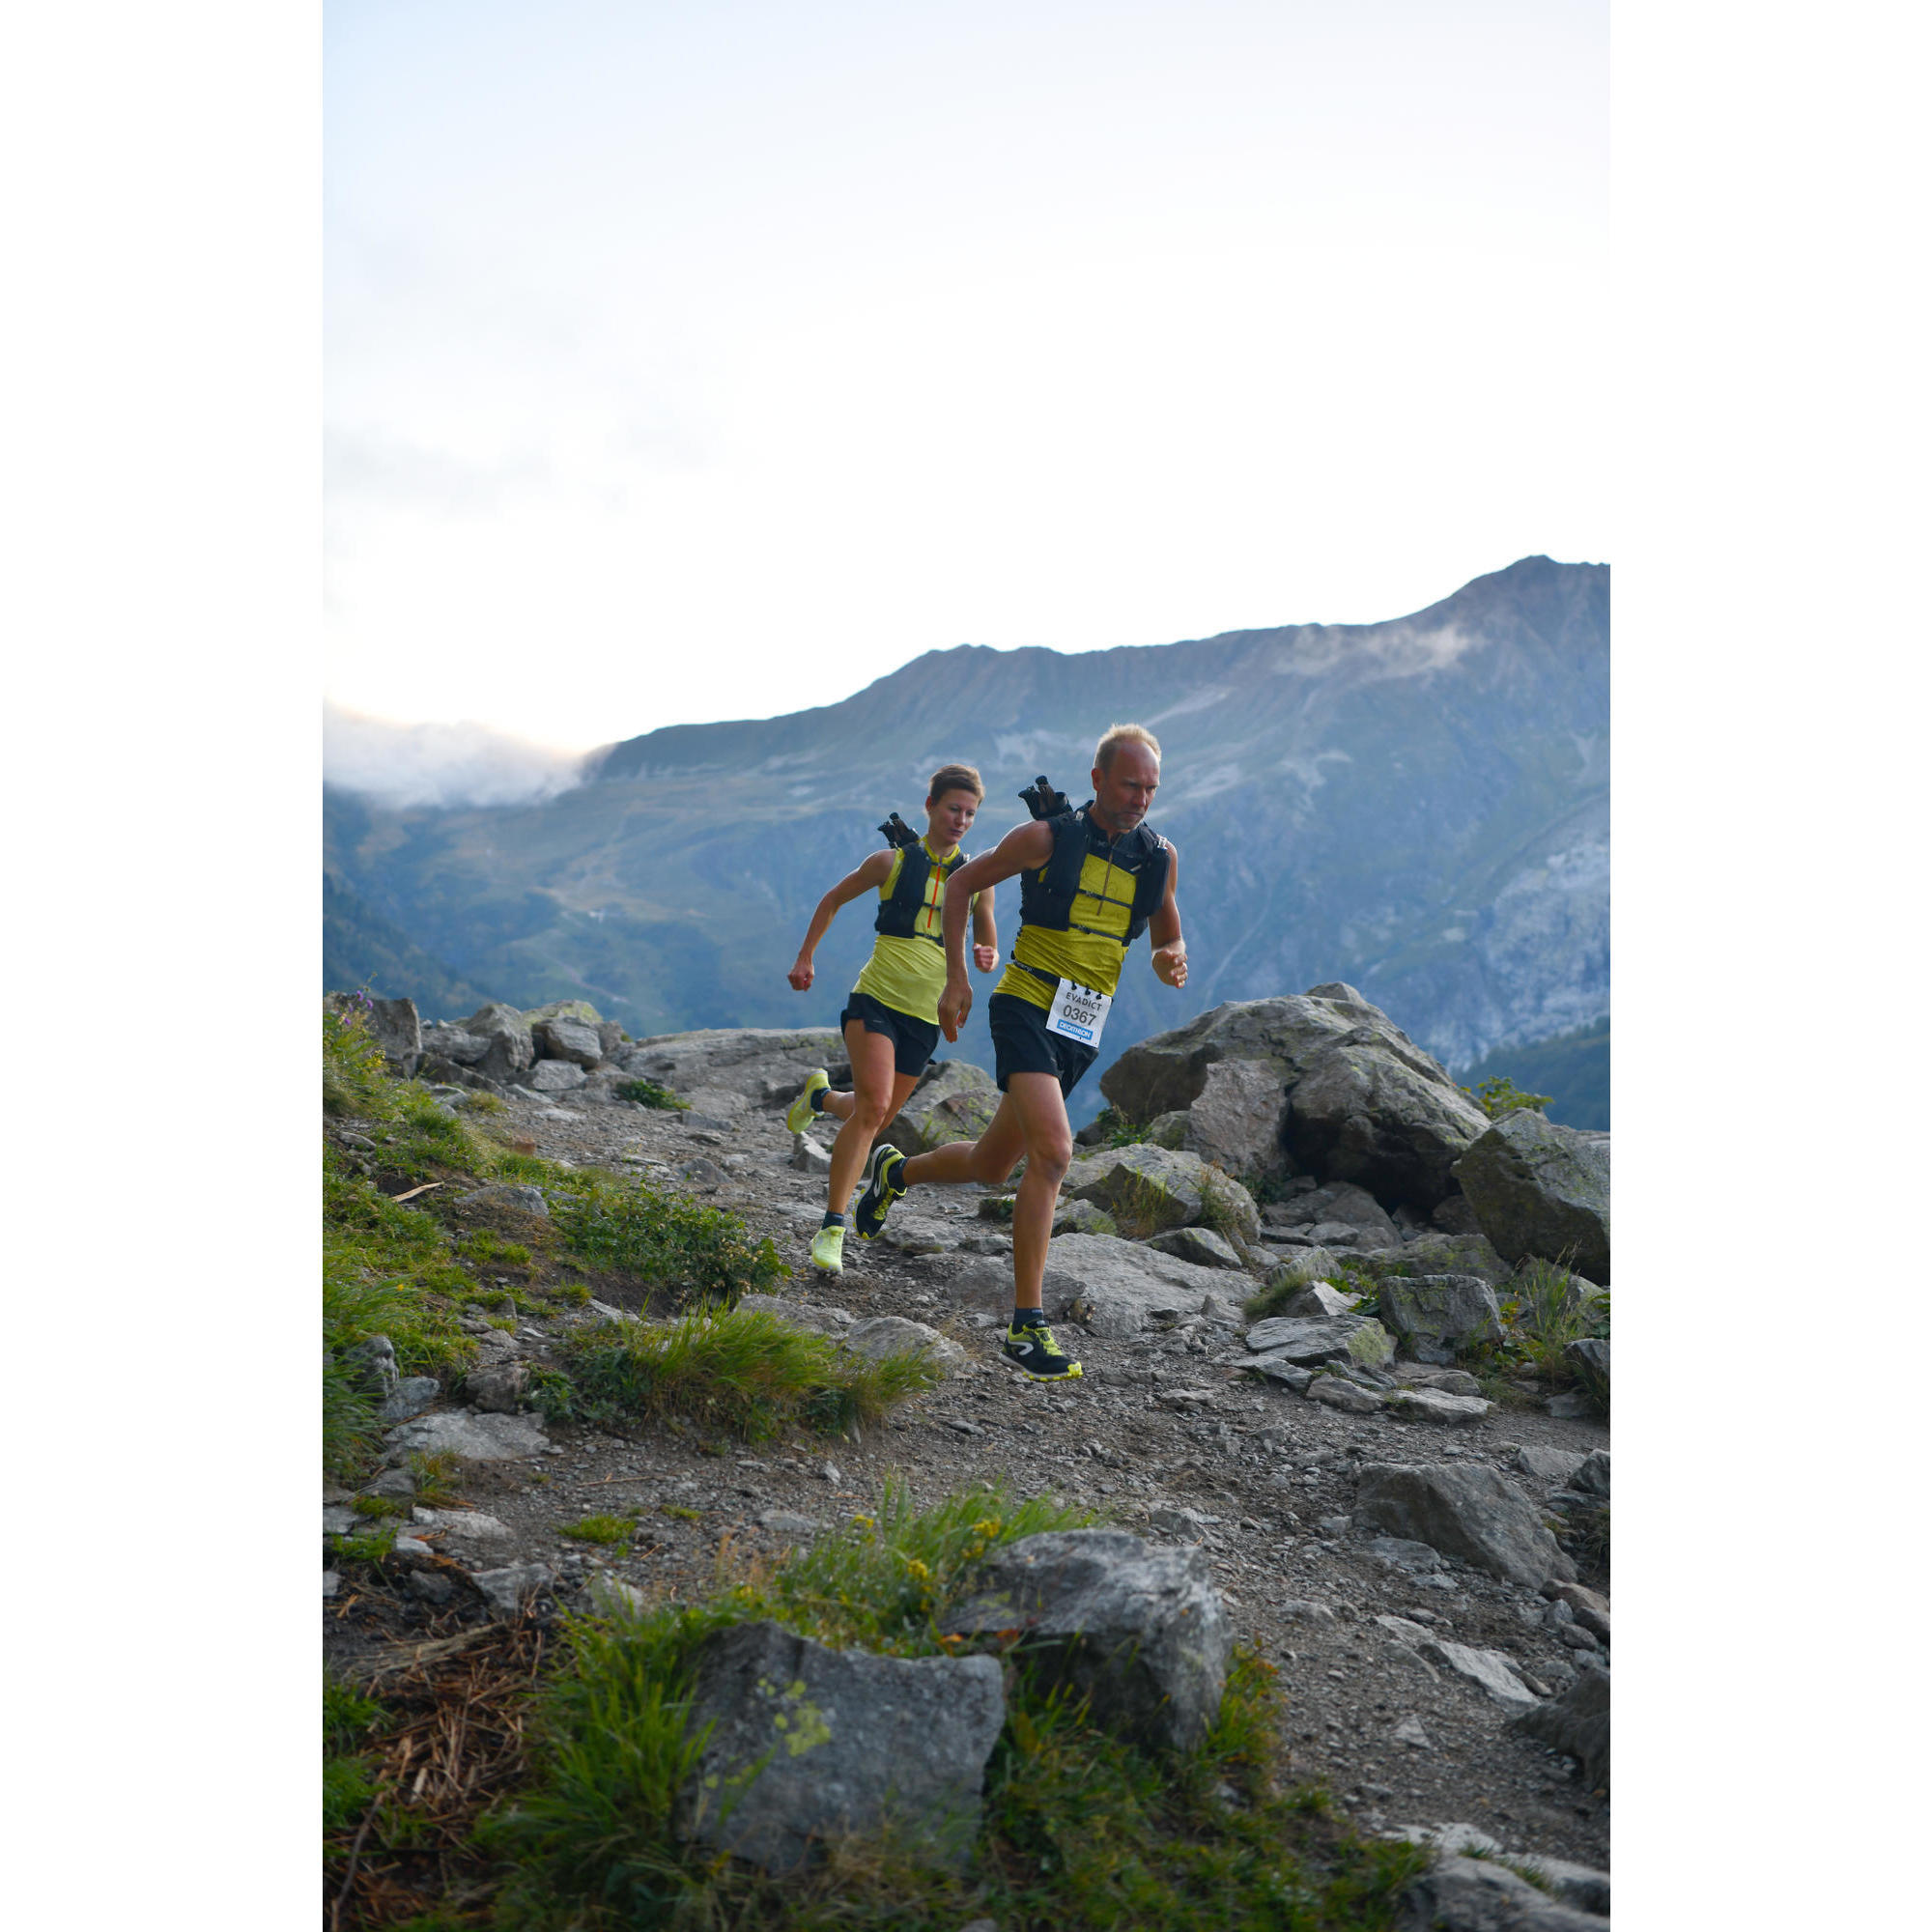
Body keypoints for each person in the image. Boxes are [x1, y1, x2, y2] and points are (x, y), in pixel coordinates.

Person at [852, 724, 1187, 1381]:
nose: (1141, 798)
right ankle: (1026, 1326)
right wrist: (956, 978)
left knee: (990, 1162)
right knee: (1055, 1154)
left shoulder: (1157, 857)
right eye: (1129, 784)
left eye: (1150, 787)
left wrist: (1172, 954)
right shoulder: (1045, 838)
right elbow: (958, 888)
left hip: (1080, 1028)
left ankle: (895, 1173)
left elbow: (1165, 924)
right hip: (1025, 1006)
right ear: (1097, 780)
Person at [783, 764, 1000, 1274]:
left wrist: (986, 949)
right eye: (953, 809)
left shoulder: (976, 876)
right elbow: (833, 899)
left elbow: (986, 924)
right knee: (875, 1107)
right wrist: (805, 957)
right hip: (876, 1000)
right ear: (930, 806)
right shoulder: (891, 863)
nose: (961, 820)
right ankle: (832, 1228)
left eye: (970, 813)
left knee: (872, 1114)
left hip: (925, 1018)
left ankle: (818, 1097)